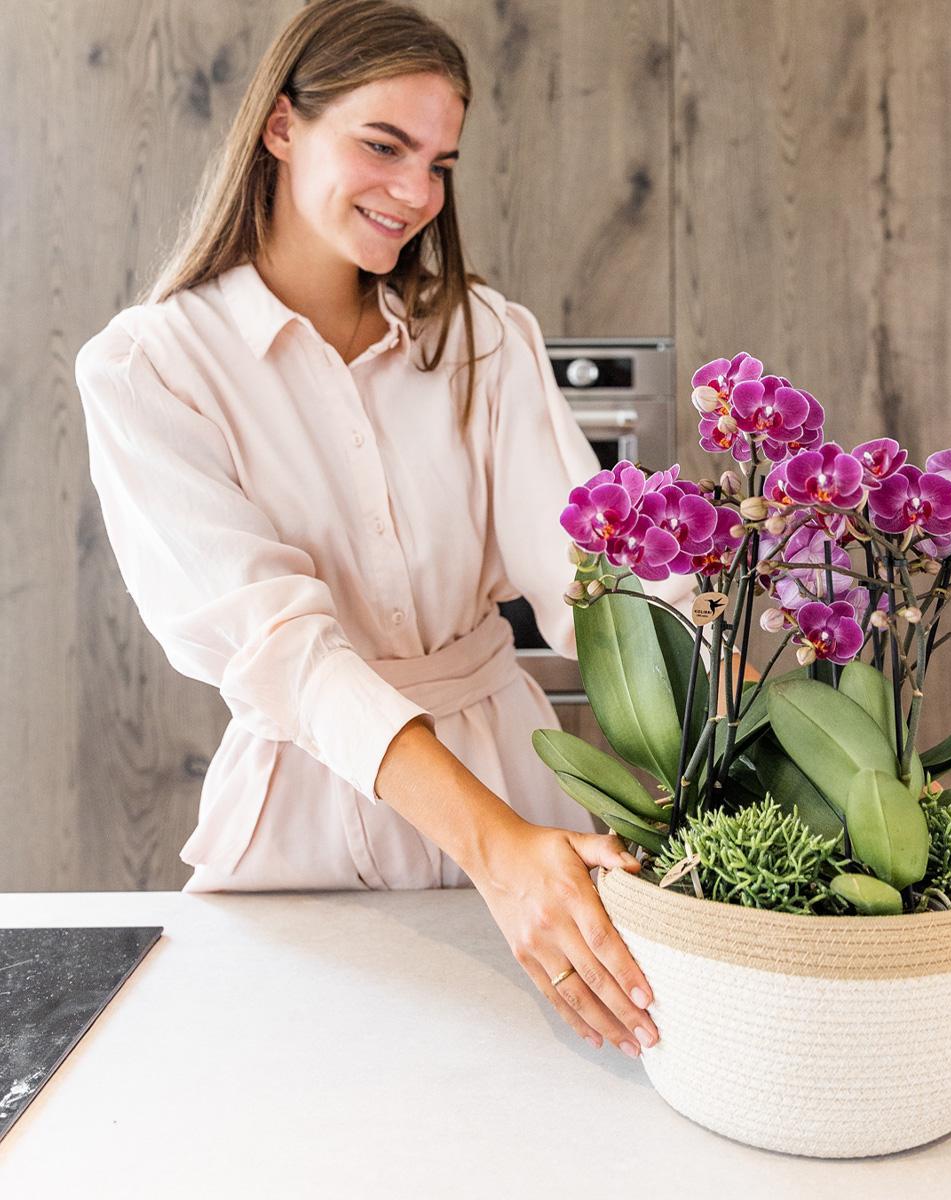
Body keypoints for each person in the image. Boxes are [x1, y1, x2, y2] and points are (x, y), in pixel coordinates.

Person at [73, 0, 701, 1062]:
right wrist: (497, 851)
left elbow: (600, 590)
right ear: (281, 127)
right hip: (302, 837)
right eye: (383, 145)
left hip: (515, 784)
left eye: (441, 161)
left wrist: (743, 712)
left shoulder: (485, 340)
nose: (416, 193)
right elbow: (286, 654)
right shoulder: (148, 372)